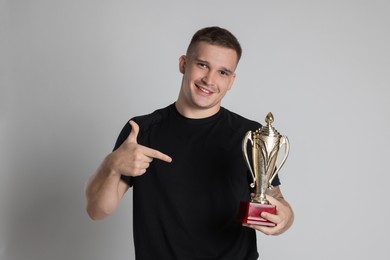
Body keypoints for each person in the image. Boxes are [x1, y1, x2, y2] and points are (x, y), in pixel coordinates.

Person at [85, 26, 294, 260]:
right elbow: (97, 210)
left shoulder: (250, 135)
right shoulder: (141, 131)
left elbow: (275, 199)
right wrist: (111, 165)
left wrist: (285, 217)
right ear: (184, 63)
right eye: (202, 65)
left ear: (231, 80)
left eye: (222, 72)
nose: (209, 80)